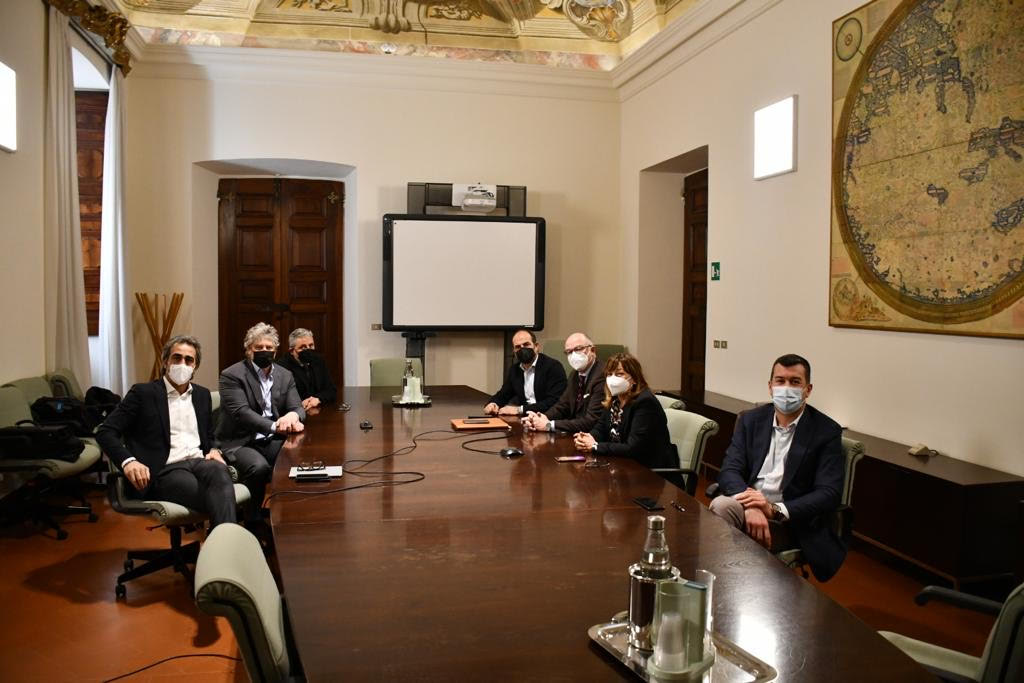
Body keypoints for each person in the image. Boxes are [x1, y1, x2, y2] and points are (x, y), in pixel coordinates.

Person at [709, 353, 845, 582]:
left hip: (790, 521)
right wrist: (752, 506)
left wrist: (773, 510)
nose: (786, 387)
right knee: (722, 505)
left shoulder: (826, 431)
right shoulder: (751, 420)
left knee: (727, 535)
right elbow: (730, 469)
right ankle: (729, 582)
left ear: (808, 390)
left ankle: (735, 585)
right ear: (770, 387)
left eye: (795, 382)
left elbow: (829, 493)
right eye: (780, 381)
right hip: (748, 504)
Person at [96, 335, 236, 527]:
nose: (182, 364)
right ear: (165, 362)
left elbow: (209, 435)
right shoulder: (143, 393)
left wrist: (213, 449)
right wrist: (128, 461)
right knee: (220, 497)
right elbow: (105, 431)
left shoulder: (202, 395)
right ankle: (226, 541)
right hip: (165, 469)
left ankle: (221, 540)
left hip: (199, 460)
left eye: (189, 360)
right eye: (176, 358)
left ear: (195, 366)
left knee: (220, 471)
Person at [216, 322, 305, 516]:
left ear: (275, 351)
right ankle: (252, 518)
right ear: (249, 350)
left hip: (270, 439)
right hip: (240, 441)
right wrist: (275, 426)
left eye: (269, 347)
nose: (264, 351)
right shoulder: (231, 375)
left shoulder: (284, 375)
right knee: (259, 467)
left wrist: (292, 416)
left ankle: (288, 515)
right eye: (259, 347)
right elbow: (241, 412)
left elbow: (297, 407)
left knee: (298, 457)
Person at [572, 353, 675, 469]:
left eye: (619, 374)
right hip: (621, 465)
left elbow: (633, 448)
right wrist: (588, 438)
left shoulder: (645, 402)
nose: (612, 379)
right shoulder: (615, 399)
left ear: (635, 378)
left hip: (648, 470)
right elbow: (600, 428)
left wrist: (595, 446)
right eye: (609, 374)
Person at [523, 332, 605, 433]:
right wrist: (540, 418)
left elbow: (590, 421)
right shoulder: (574, 374)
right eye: (569, 352)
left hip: (592, 436)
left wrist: (549, 425)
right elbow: (562, 405)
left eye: (578, 349)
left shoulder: (602, 375)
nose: (573, 355)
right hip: (575, 432)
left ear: (592, 350)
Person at [483, 329, 567, 416]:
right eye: (518, 347)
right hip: (525, 418)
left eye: (526, 344)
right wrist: (493, 404)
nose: (522, 349)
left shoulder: (553, 366)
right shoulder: (515, 370)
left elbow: (554, 401)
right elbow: (503, 394)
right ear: (514, 351)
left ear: (536, 347)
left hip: (549, 417)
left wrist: (520, 409)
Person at [276, 327, 337, 411]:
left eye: (311, 345)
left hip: (319, 409)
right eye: (303, 347)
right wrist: (299, 403)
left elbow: (331, 390)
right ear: (291, 351)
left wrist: (318, 399)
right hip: (295, 412)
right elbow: (281, 399)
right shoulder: (282, 367)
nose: (308, 349)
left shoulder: (318, 360)